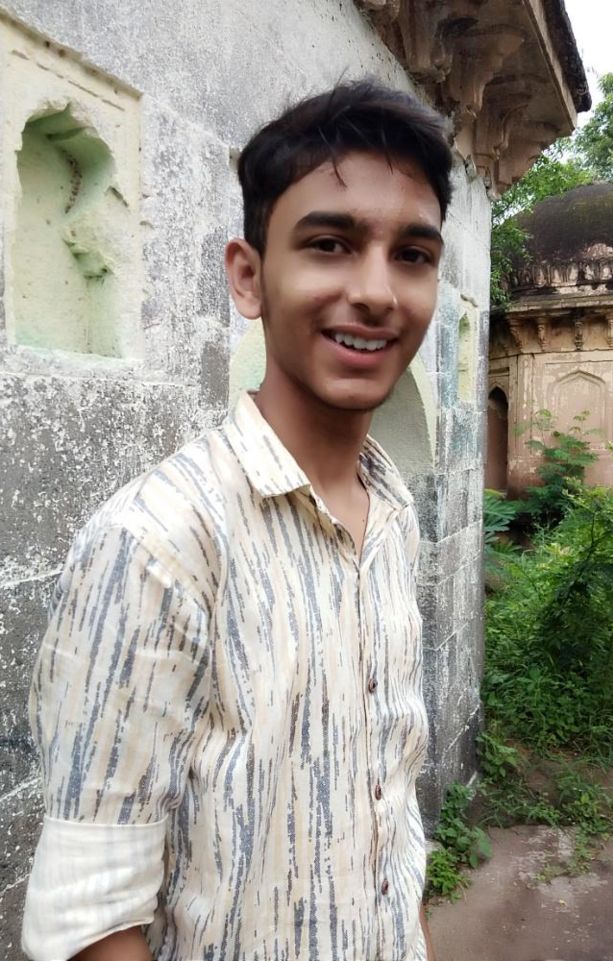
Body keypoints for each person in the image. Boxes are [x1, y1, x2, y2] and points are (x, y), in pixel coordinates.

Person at [22, 79, 452, 961]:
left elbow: (391, 809)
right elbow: (90, 925)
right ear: (249, 276)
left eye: (411, 254)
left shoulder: (393, 514)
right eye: (330, 244)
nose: (377, 292)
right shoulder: (158, 540)